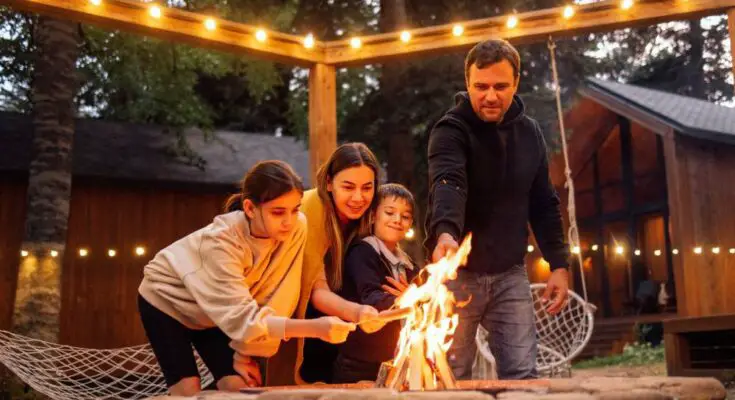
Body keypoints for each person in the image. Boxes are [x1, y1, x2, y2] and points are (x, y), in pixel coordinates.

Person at [137, 160, 356, 396]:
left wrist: (245, 349)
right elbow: (244, 319)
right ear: (250, 209)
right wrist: (315, 328)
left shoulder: (296, 227)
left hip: (217, 312)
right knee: (188, 391)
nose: (289, 221)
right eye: (278, 212)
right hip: (167, 302)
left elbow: (279, 293)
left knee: (240, 388)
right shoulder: (221, 243)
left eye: (295, 209)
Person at [424, 39, 570, 380]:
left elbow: (544, 204)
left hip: (509, 273)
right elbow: (448, 183)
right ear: (467, 84)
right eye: (481, 87)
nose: (490, 96)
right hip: (457, 274)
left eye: (500, 86)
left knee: (521, 373)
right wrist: (445, 232)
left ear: (516, 83)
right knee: (450, 373)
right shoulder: (450, 130)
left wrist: (560, 264)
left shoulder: (530, 133)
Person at [269, 142, 387, 385]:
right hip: (304, 319)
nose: (358, 197)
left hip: (343, 329)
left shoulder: (371, 216)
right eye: (348, 187)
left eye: (367, 187)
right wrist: (358, 313)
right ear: (329, 182)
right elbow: (316, 290)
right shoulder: (310, 210)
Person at [332, 183, 420, 383]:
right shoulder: (362, 252)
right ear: (372, 216)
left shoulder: (409, 265)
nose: (397, 220)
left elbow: (428, 300)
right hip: (358, 364)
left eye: (405, 216)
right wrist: (408, 298)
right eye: (390, 212)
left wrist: (416, 298)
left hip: (394, 362)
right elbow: (372, 299)